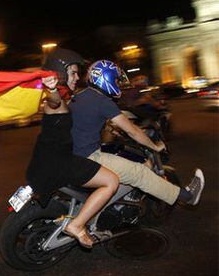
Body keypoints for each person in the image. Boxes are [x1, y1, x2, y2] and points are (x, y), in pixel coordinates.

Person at [69, 59, 205, 207]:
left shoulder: (80, 96)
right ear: (106, 78)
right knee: (139, 173)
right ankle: (188, 196)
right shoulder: (103, 101)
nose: (117, 83)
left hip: (71, 154)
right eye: (115, 79)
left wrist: (110, 129)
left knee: (120, 160)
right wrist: (154, 146)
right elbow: (133, 131)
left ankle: (117, 204)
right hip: (88, 157)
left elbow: (84, 122)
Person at [26, 49, 119, 248]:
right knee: (111, 181)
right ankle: (77, 225)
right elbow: (54, 102)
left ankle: (80, 214)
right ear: (60, 72)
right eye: (73, 73)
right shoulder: (54, 100)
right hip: (59, 163)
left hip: (44, 159)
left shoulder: (67, 98)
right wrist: (52, 89)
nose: (78, 77)